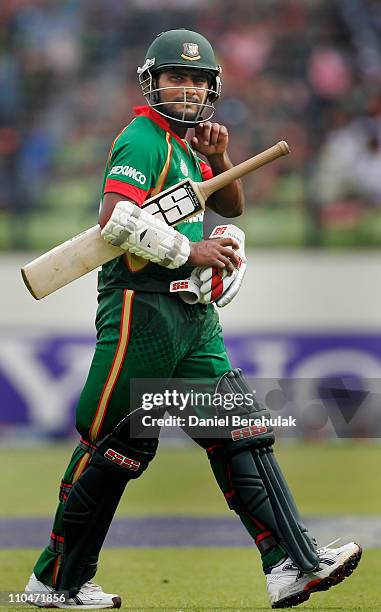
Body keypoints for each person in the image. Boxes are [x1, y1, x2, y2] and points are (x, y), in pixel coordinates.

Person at [25, 29, 362, 610]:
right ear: (151, 83)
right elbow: (115, 221)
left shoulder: (186, 147)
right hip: (142, 310)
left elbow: (227, 202)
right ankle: (55, 582)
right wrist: (191, 252)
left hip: (192, 316)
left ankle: (291, 565)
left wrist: (219, 159)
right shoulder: (143, 139)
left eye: (196, 80)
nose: (185, 89)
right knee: (115, 447)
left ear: (212, 89)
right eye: (174, 78)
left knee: (242, 434)